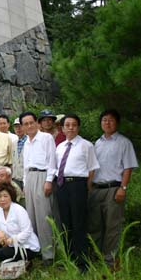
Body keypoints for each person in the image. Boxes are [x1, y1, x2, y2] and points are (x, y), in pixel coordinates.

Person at [89, 109, 138, 267]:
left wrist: (123, 188)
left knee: (112, 225)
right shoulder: (97, 143)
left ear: (116, 122)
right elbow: (92, 167)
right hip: (97, 189)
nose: (107, 123)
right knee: (95, 225)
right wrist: (89, 187)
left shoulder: (124, 142)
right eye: (104, 120)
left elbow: (128, 168)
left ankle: (109, 260)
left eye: (110, 120)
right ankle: (96, 256)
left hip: (114, 188)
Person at [55, 114, 99, 272]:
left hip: (78, 185)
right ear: (62, 128)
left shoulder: (86, 145)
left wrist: (86, 187)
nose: (70, 127)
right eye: (67, 125)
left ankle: (82, 262)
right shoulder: (60, 147)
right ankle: (69, 258)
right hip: (62, 185)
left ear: (78, 127)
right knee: (65, 223)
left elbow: (92, 168)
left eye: (74, 124)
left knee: (79, 222)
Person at [20, 111, 56, 265]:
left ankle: (49, 254)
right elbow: (25, 167)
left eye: (31, 122)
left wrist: (49, 181)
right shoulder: (26, 143)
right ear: (22, 126)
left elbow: (52, 160)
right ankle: (35, 250)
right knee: (31, 217)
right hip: (30, 179)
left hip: (42, 177)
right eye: (25, 124)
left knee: (44, 216)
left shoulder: (46, 138)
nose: (29, 126)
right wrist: (24, 183)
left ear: (37, 123)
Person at [0, 181, 40, 264]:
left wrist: (13, 240)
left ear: (11, 196)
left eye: (5, 196)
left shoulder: (19, 210)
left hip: (27, 247)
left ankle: (27, 262)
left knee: (2, 252)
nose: (2, 199)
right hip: (9, 244)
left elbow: (27, 231)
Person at [12, 117, 27, 191]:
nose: (18, 129)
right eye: (16, 127)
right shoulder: (14, 143)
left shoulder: (30, 141)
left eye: (20, 126)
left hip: (26, 177)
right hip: (16, 178)